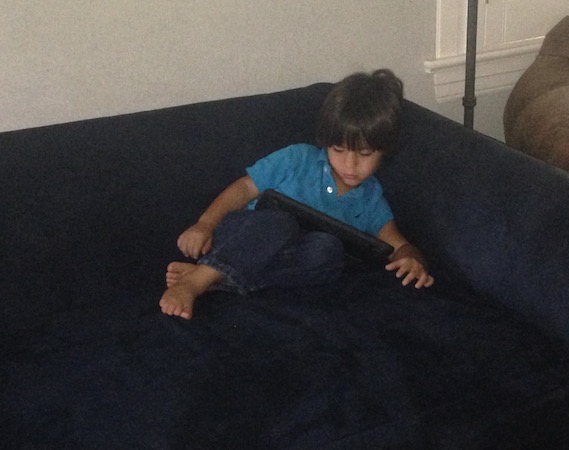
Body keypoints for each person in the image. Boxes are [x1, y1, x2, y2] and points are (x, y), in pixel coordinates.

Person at [160, 69, 434, 319]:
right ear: (326, 142)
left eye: (364, 154)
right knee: (279, 222)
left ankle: (217, 277)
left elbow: (398, 246)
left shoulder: (371, 199)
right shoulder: (297, 158)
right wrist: (206, 224)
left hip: (287, 261)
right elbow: (244, 188)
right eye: (339, 150)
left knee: (329, 251)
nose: (350, 165)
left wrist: (412, 260)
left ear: (384, 151)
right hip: (246, 236)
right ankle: (197, 281)